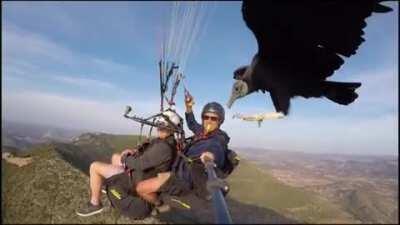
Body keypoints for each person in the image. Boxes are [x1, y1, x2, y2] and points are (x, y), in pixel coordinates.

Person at [76, 109, 182, 217]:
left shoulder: (163, 147)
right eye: (159, 125)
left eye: (162, 125)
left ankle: (95, 204)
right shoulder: (163, 142)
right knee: (115, 157)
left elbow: (140, 164)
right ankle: (112, 183)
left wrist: (125, 159)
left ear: (171, 129)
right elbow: (147, 155)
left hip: (138, 178)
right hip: (141, 173)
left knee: (95, 167)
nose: (159, 128)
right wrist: (134, 152)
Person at [135, 96, 230, 208]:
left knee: (140, 188)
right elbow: (192, 123)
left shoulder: (216, 141)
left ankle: (158, 203)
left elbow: (215, 152)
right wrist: (188, 107)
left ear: (220, 121)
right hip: (179, 168)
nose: (209, 120)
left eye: (213, 118)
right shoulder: (204, 131)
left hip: (183, 180)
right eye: (206, 117)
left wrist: (210, 157)